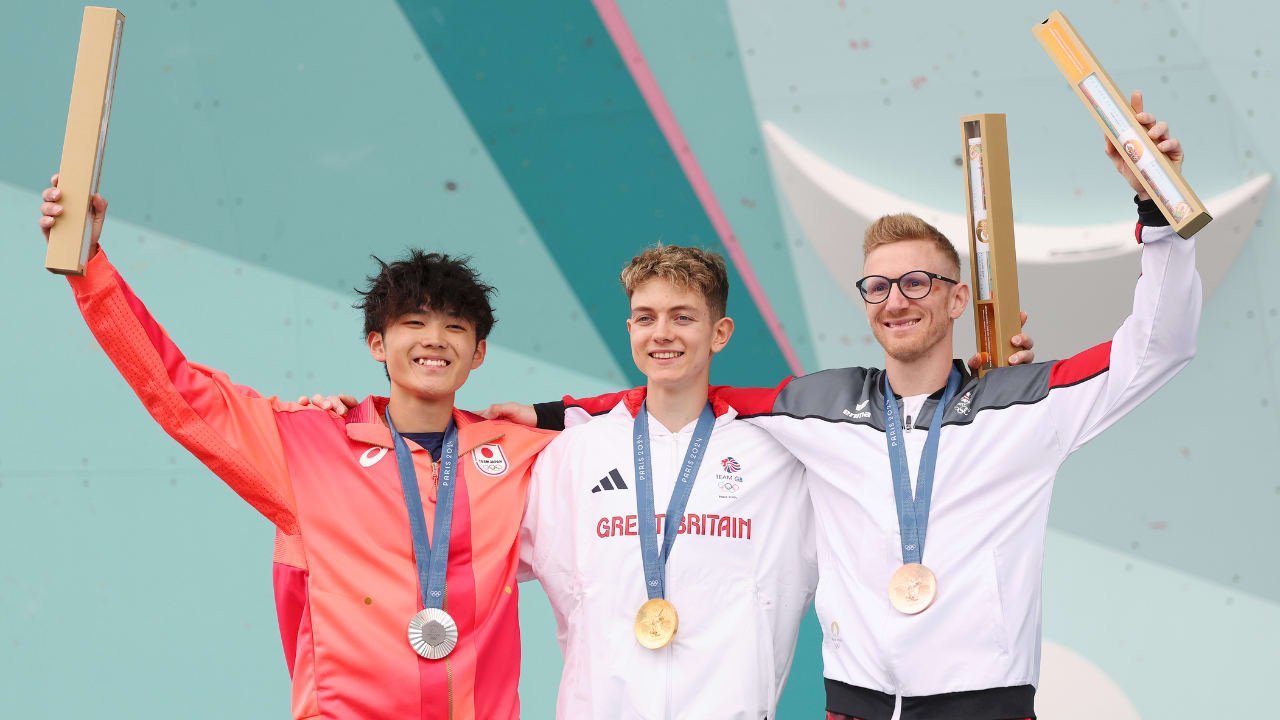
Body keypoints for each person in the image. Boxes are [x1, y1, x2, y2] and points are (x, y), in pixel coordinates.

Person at [493, 93, 1189, 720]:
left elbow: (1156, 348)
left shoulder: (1024, 402)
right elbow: (689, 394)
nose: (895, 300)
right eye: (878, 286)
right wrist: (559, 413)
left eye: (917, 283)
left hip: (983, 705)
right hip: (853, 708)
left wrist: (1155, 212)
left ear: (956, 300)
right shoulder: (820, 407)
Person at [37, 178, 556, 720]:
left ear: (478, 354)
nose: (434, 339)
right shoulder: (309, 442)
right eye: (413, 323)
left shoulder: (520, 454)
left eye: (455, 327)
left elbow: (641, 426)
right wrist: (90, 263)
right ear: (377, 343)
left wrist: (550, 414)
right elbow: (179, 392)